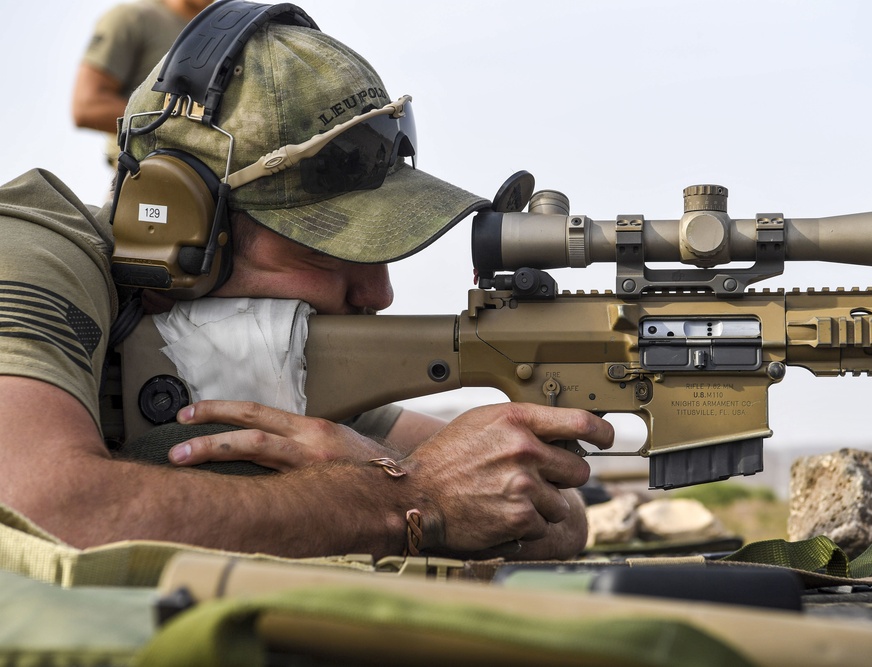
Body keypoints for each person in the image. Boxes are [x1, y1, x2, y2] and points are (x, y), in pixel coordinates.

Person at [0, 5, 613, 561]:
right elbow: (41, 511)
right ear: (184, 227)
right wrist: (405, 497)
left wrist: (416, 478)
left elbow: (553, 514)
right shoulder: (27, 250)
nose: (378, 294)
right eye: (330, 247)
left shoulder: (253, 350)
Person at [71, 0, 215, 168]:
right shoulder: (132, 17)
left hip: (215, 183)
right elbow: (88, 105)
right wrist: (181, 129)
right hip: (142, 177)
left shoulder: (226, 33)